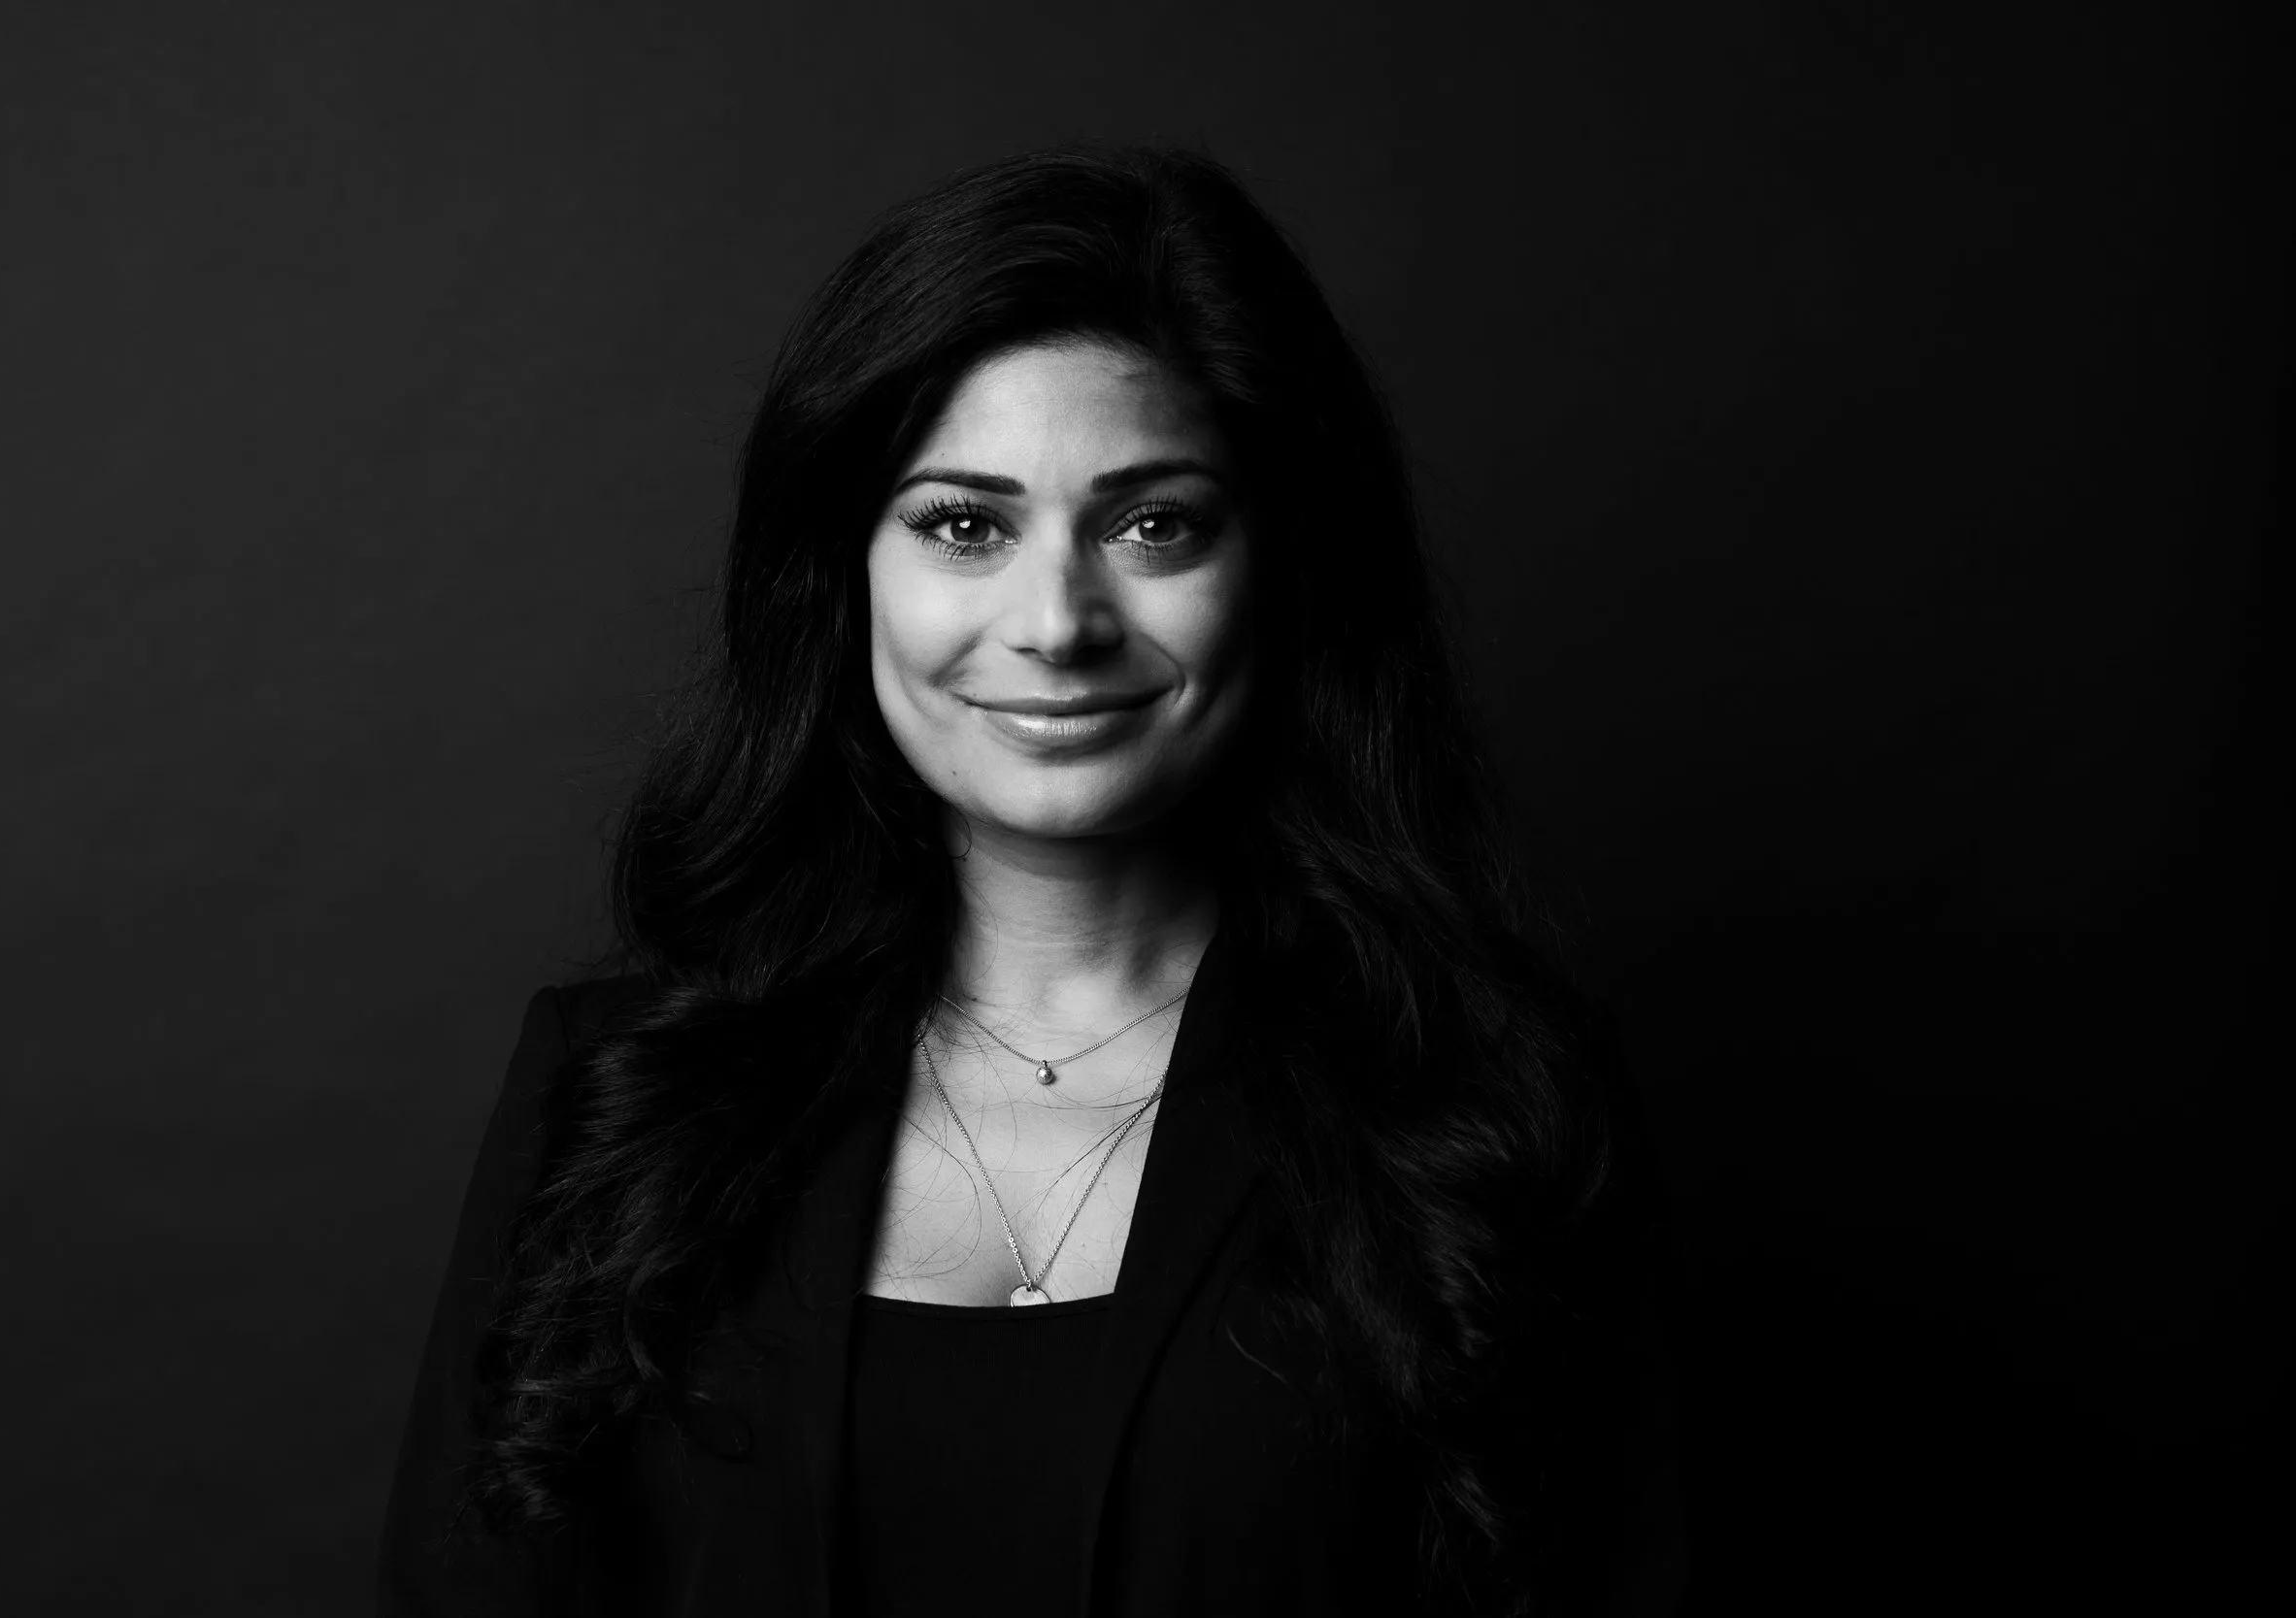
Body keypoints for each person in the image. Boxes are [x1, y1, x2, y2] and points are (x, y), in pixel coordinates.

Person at [380, 146, 1684, 1617]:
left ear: (1282, 569)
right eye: (964, 525)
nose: (1058, 622)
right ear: (843, 574)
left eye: (1154, 523)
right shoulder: (616, 1095)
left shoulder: (1483, 1100)